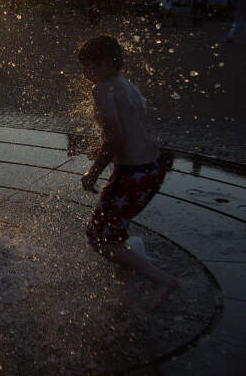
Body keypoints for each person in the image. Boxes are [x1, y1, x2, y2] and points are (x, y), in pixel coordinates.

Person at [77, 35, 179, 310]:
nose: (88, 75)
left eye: (93, 67)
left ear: (110, 63)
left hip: (132, 175)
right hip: (152, 169)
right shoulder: (126, 85)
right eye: (85, 69)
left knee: (98, 236)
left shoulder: (102, 89)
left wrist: (92, 173)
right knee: (113, 230)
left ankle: (161, 279)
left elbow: (116, 139)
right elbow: (130, 133)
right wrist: (104, 149)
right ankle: (128, 290)